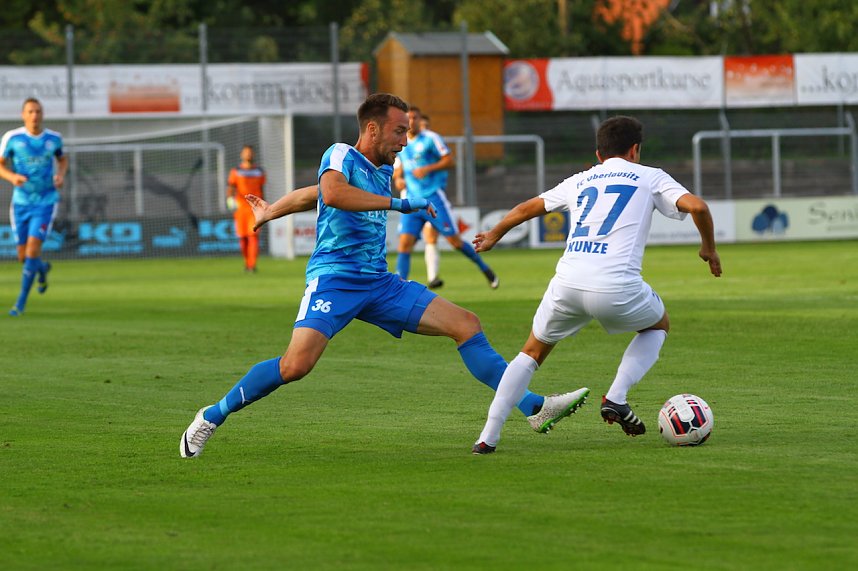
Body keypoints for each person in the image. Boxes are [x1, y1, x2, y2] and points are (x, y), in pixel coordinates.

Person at [179, 93, 585, 458]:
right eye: (398, 131)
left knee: (466, 324)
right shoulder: (340, 154)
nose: (404, 141)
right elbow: (332, 193)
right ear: (372, 129)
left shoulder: (381, 170)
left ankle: (533, 406)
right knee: (296, 366)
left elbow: (313, 194)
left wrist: (271, 211)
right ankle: (212, 416)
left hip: (379, 282)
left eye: (406, 132)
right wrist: (400, 204)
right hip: (335, 279)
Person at [470, 115, 722, 454]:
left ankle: (487, 437)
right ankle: (616, 397)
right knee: (657, 325)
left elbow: (529, 207)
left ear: (599, 153)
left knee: (530, 353)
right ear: (635, 150)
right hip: (617, 287)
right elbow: (699, 207)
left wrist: (493, 235)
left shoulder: (582, 178)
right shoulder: (650, 176)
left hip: (568, 283)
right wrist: (708, 248)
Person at [394, 106, 499, 289]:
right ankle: (398, 286)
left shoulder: (430, 139)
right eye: (408, 118)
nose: (411, 122)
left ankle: (485, 269)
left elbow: (449, 160)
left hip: (433, 198)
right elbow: (398, 169)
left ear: (419, 119)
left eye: (414, 118)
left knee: (454, 242)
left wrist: (427, 169)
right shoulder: (400, 142)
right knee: (404, 244)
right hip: (411, 201)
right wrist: (398, 179)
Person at [0, 98, 68, 317]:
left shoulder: (54, 139)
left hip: (46, 202)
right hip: (20, 203)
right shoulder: (12, 138)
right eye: (30, 111)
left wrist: (60, 175)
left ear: (43, 114)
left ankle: (19, 303)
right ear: (23, 115)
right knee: (23, 256)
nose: (35, 115)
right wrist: (12, 177)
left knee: (32, 250)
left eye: (38, 111)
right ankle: (41, 268)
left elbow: (63, 160)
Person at [227, 145, 266, 272]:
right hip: (241, 208)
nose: (248, 154)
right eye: (246, 152)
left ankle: (252, 265)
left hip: (254, 208)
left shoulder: (260, 171)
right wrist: (230, 200)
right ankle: (247, 263)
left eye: (250, 152)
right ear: (241, 155)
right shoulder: (236, 171)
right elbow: (231, 188)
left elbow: (261, 189)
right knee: (243, 237)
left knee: (253, 236)